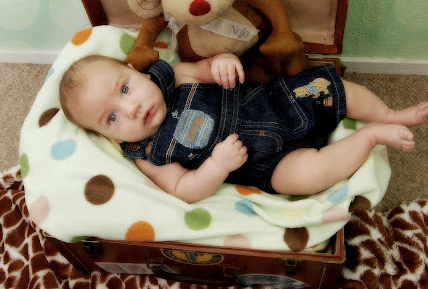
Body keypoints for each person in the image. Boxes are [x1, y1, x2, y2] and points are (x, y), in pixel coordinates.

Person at [59, 52, 428, 204]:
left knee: (327, 88)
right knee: (308, 176)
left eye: (125, 89)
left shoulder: (176, 76)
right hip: (266, 164)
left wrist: (221, 63)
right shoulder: (149, 155)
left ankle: (388, 114)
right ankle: (369, 136)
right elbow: (184, 189)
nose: (131, 108)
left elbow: (208, 69)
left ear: (136, 71)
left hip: (277, 103)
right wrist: (216, 166)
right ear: (106, 136)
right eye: (112, 118)